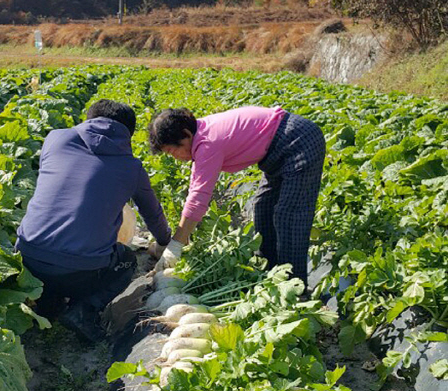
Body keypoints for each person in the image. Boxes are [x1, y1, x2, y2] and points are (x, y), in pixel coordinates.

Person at [16, 99, 171, 341]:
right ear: (127, 135)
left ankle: (47, 301)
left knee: (56, 253)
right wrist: (166, 242)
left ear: (87, 120)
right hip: (80, 272)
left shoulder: (55, 139)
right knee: (127, 261)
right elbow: (152, 215)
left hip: (28, 259)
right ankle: (84, 310)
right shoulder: (132, 167)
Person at [149, 106, 325, 288]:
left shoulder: (208, 142)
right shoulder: (200, 138)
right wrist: (182, 238)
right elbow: (195, 187)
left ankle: (295, 287)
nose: (175, 157)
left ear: (186, 134)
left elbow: (199, 197)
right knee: (263, 207)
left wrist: (176, 243)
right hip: (276, 150)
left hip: (298, 141)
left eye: (172, 151)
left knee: (288, 216)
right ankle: (270, 271)